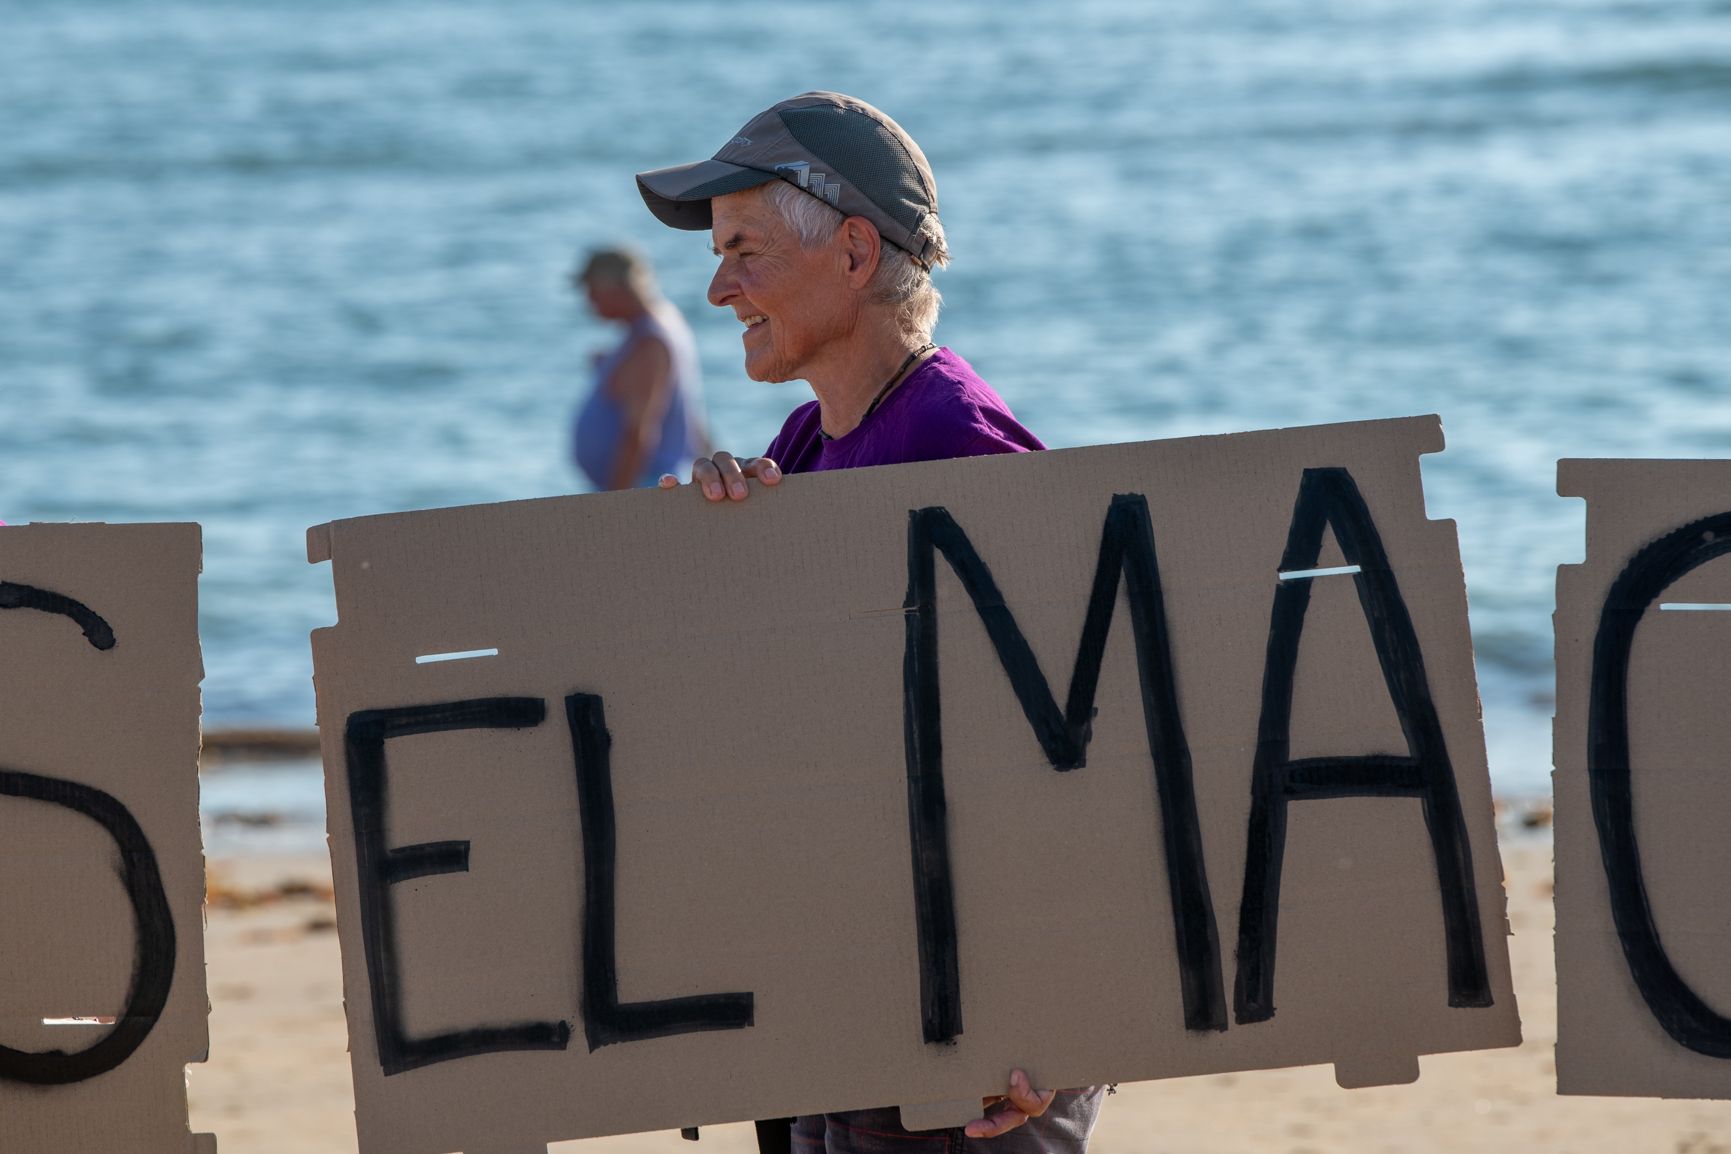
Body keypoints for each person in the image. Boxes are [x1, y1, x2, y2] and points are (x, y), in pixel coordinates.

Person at [637, 91, 1103, 1153]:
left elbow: (1086, 758)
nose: (717, 288)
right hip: (861, 1029)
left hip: (976, 1065)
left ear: (854, 252)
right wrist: (705, 566)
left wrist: (1053, 1029)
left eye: (744, 249)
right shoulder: (804, 445)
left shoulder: (960, 447)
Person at [570, 247, 707, 491]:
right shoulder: (659, 323)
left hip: (647, 485)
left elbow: (640, 432)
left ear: (618, 287)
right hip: (651, 482)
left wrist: (615, 502)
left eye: (593, 290)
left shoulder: (650, 342)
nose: (589, 301)